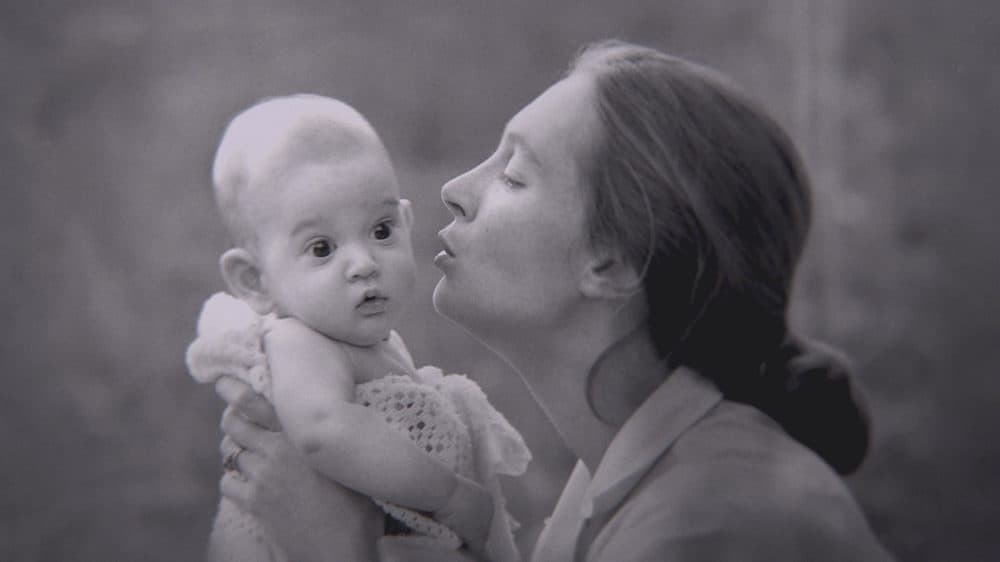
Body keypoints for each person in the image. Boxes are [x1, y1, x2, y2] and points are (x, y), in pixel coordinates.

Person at [204, 41, 894, 560]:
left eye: (512, 174)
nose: (452, 189)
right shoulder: (616, 475)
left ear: (613, 262)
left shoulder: (714, 526)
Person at [185, 95, 529, 562]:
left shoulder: (366, 345)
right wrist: (448, 495)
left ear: (407, 222)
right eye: (322, 248)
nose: (363, 264)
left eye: (382, 231)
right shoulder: (296, 342)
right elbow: (324, 430)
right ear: (255, 280)